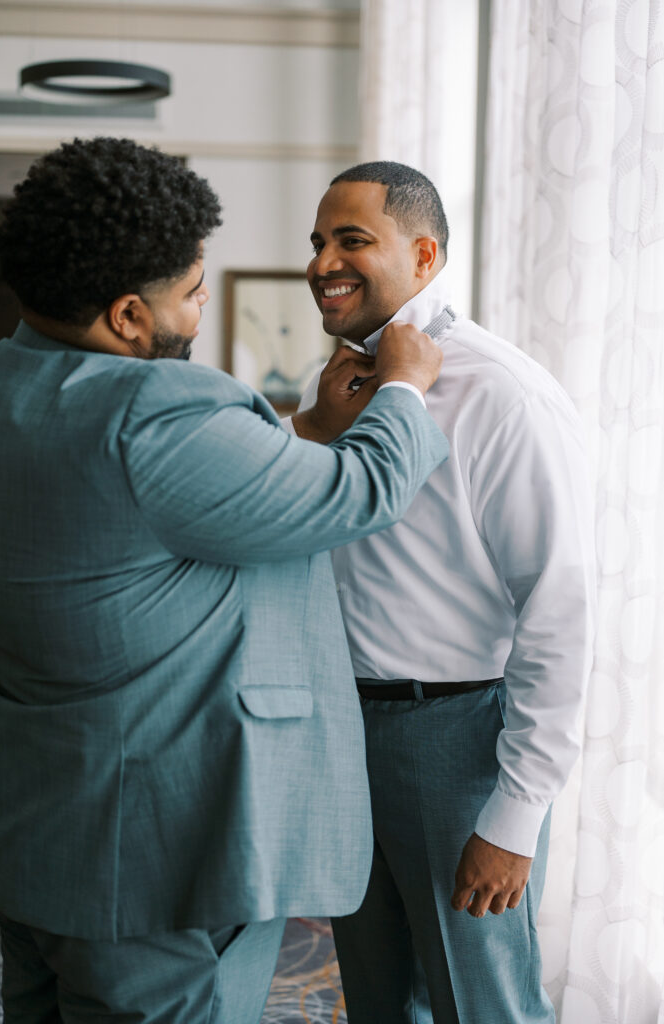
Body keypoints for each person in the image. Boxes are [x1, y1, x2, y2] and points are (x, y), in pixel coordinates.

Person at [0, 139, 449, 1024]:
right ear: (127, 316)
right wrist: (405, 391)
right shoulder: (153, 410)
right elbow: (362, 491)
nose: (202, 306)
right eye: (194, 291)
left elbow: (147, 507)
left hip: (35, 830)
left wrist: (303, 427)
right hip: (154, 856)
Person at [287, 161, 596, 1023]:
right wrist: (314, 428)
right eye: (317, 242)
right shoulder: (340, 390)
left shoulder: (503, 395)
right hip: (342, 737)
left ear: (423, 256)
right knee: (379, 1000)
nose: (322, 263)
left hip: (455, 746)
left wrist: (515, 813)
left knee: (482, 1004)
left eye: (352, 241)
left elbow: (559, 610)